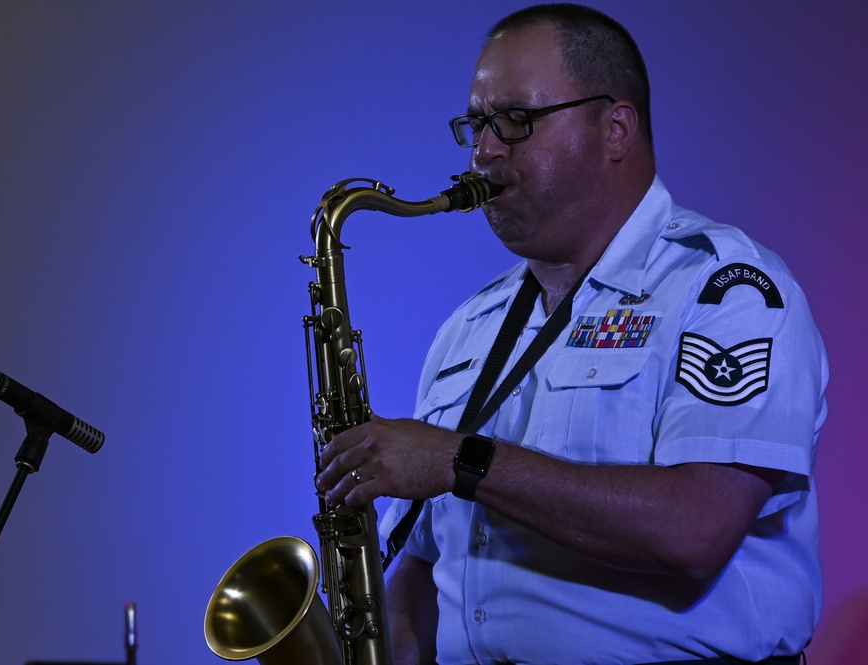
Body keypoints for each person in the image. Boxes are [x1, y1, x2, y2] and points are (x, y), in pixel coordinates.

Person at [315, 4, 827, 664]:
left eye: (516, 121)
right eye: (476, 124)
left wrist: (461, 460)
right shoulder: (465, 331)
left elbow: (696, 530)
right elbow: (423, 579)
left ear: (615, 128)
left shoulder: (728, 289)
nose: (484, 150)